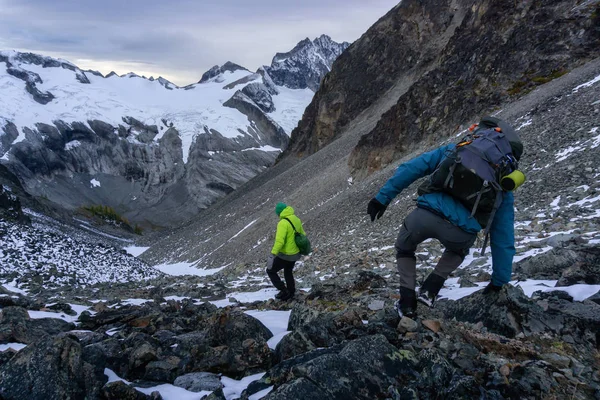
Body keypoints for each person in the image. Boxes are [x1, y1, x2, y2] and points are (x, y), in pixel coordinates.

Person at [367, 116, 523, 318]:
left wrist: (382, 199)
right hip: (459, 233)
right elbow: (503, 237)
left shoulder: (457, 149)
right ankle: (431, 288)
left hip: (423, 218)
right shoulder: (503, 182)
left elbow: (412, 168)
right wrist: (499, 281)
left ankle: (406, 302)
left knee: (405, 247)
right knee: (458, 250)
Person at [267, 202, 306, 301]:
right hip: (296, 253)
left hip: (286, 254)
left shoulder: (282, 223)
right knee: (288, 271)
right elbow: (303, 234)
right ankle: (291, 291)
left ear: (279, 213)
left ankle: (283, 290)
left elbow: (280, 241)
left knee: (270, 271)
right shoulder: (296, 219)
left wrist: (273, 254)